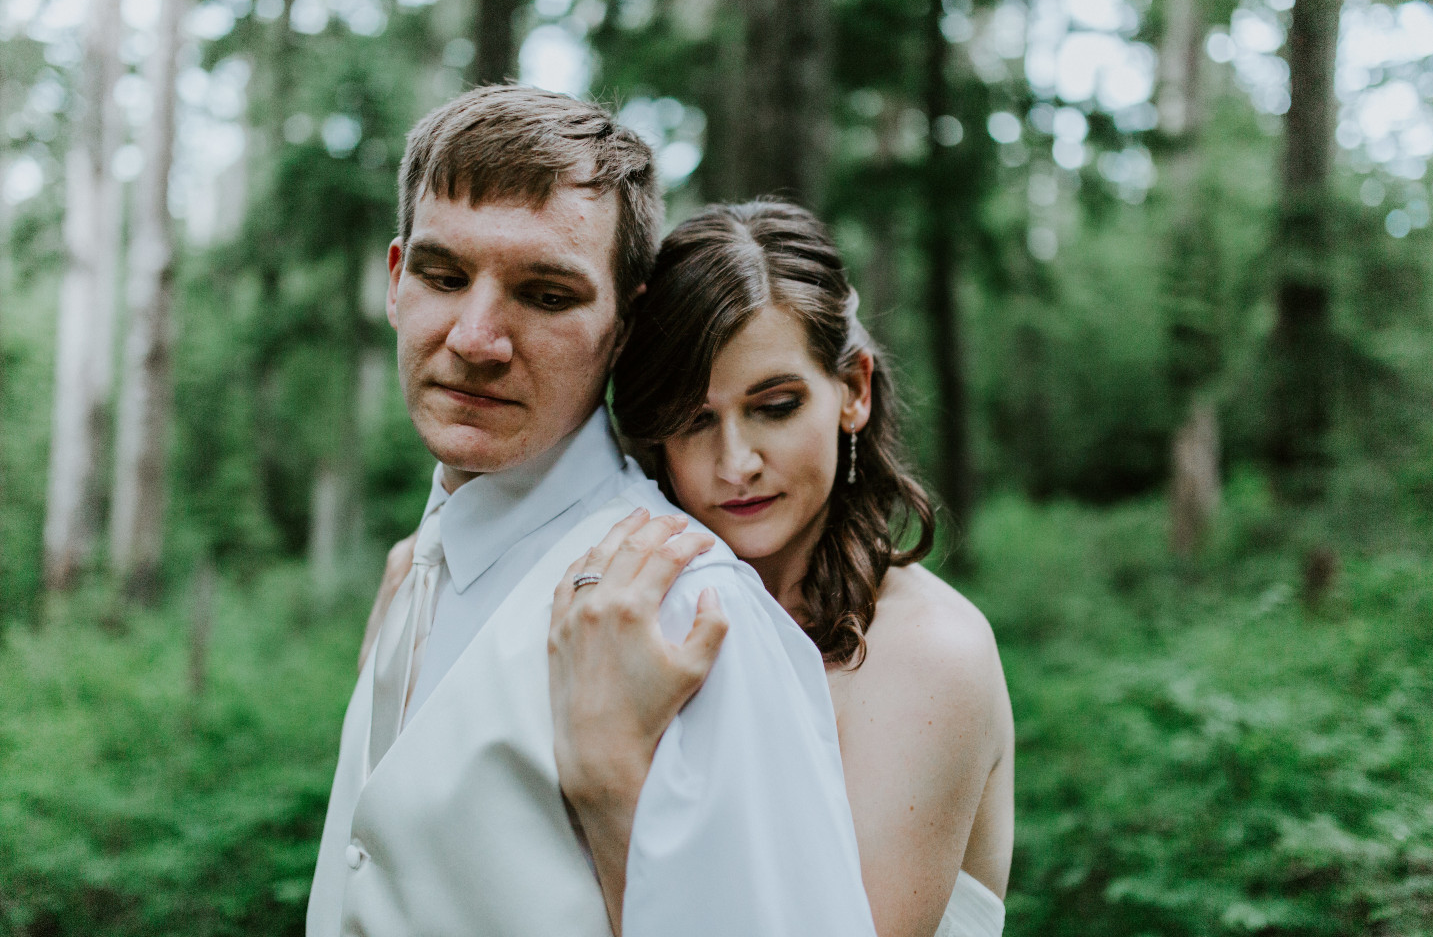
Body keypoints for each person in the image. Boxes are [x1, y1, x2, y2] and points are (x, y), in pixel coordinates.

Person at [309, 86, 879, 937]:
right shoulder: (417, 569)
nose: (475, 338)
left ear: (626, 324)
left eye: (545, 295)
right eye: (443, 275)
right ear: (396, 283)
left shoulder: (691, 608)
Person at [369, 201, 1016, 936]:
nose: (736, 463)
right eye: (693, 420)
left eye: (774, 406)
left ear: (854, 391)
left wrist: (612, 786)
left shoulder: (930, 656)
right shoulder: (629, 599)